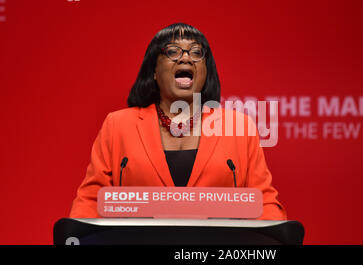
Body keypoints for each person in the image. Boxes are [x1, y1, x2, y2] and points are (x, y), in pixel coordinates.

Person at [69, 23, 286, 220]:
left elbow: (264, 202)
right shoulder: (118, 125)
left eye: (196, 52)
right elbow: (91, 200)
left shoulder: (239, 127)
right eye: (172, 52)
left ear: (205, 71)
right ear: (153, 70)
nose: (185, 58)